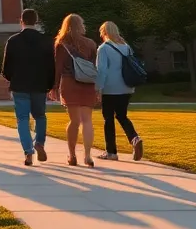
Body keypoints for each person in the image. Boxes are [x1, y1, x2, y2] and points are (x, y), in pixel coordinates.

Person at [1, 8, 56, 166]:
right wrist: (50, 84)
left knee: (22, 119)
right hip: (39, 85)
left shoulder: (13, 40)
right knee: (40, 116)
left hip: (20, 85)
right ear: (36, 21)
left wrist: (12, 78)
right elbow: (51, 66)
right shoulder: (46, 40)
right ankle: (39, 142)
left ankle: (28, 152)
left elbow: (6, 68)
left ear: (21, 21)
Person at [55, 13, 99, 168]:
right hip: (88, 84)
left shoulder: (62, 44)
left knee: (74, 121)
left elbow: (58, 68)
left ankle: (72, 155)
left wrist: (54, 87)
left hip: (69, 83)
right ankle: (88, 156)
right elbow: (95, 68)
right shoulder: (91, 44)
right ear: (81, 25)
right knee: (87, 120)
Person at [95, 22, 143, 161]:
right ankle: (135, 138)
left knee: (108, 119)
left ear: (104, 32)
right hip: (127, 86)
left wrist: (98, 88)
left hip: (110, 88)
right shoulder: (126, 47)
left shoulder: (104, 48)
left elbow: (102, 70)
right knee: (122, 116)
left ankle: (111, 152)